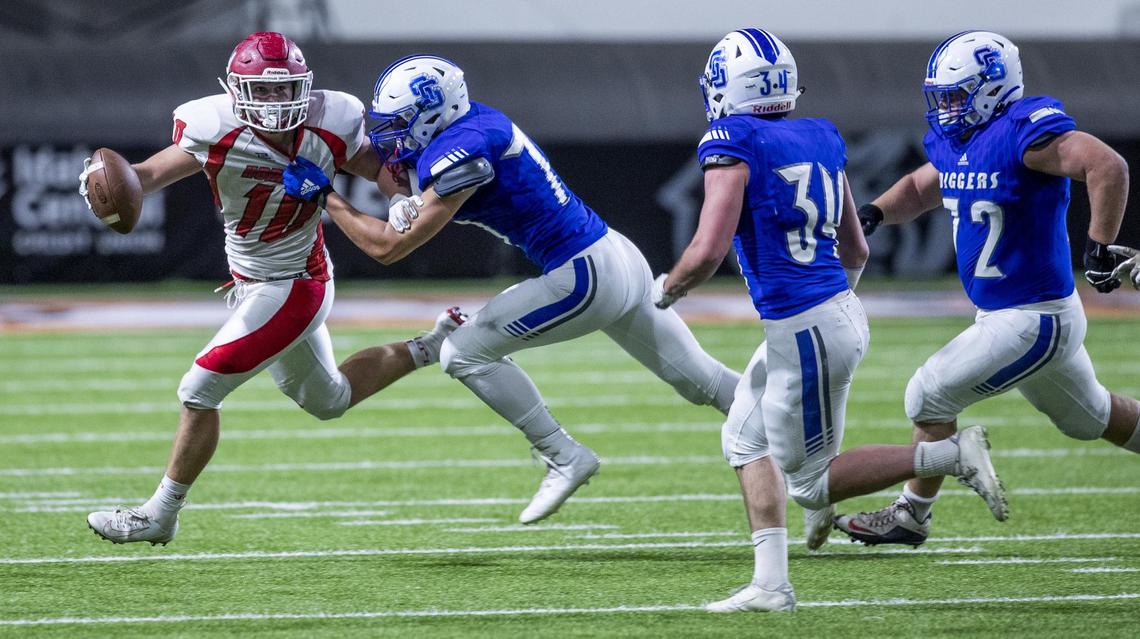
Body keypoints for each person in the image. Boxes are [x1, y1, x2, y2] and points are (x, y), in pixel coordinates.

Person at [281, 54, 742, 525]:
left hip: (583, 273)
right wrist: (403, 197)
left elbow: (388, 250)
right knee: (705, 382)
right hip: (615, 255)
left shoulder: (465, 149)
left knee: (461, 353)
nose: (389, 134)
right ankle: (815, 457)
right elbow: (398, 172)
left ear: (434, 114)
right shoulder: (465, 127)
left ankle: (562, 453)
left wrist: (326, 198)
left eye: (400, 122)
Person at [653, 29, 1008, 613]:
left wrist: (668, 289)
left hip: (806, 327)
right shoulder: (820, 133)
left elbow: (709, 247)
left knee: (810, 481)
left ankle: (952, 456)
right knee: (743, 437)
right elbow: (857, 249)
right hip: (833, 312)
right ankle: (771, 583)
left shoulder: (730, 137)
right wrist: (834, 310)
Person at [82, 32, 462, 546]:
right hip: (251, 280)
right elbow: (145, 176)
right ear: (237, 90)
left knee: (199, 388)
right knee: (329, 399)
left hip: (295, 283)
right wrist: (104, 186)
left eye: (284, 92)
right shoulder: (211, 126)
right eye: (262, 91)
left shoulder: (332, 120)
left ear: (302, 88)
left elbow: (379, 167)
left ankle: (161, 513)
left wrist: (397, 199)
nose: (275, 103)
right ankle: (430, 346)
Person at [835, 30, 1140, 547]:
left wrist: (1098, 245)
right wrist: (873, 213)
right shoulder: (963, 142)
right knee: (1092, 418)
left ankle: (913, 513)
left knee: (929, 392)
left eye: (955, 95)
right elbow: (920, 186)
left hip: (1033, 316)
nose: (946, 108)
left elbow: (1106, 165)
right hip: (1011, 316)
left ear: (991, 88)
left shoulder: (1025, 131)